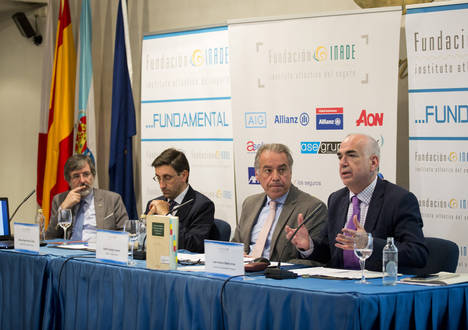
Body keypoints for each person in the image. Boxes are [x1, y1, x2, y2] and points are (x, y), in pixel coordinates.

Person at [286, 134, 428, 271]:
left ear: (373, 163)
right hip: (340, 286)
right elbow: (330, 252)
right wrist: (309, 245)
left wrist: (369, 244)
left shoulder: (399, 200)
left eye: (351, 155)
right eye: (340, 157)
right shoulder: (336, 199)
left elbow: (417, 254)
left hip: (377, 287)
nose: (343, 162)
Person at [232, 143, 327, 263]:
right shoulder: (250, 203)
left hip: (278, 277)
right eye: (268, 171)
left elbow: (318, 260)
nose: (275, 177)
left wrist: (306, 248)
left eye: (282, 170)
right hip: (243, 274)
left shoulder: (312, 208)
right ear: (257, 175)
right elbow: (235, 244)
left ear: (290, 172)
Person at [145, 148, 215, 253]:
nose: (162, 185)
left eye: (167, 177)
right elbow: (143, 241)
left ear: (183, 175)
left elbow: (193, 245)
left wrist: (166, 216)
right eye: (158, 178)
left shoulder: (203, 205)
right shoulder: (154, 203)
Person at [46, 154, 129, 241]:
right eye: (76, 176)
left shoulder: (112, 199)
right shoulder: (59, 199)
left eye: (86, 174)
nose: (82, 180)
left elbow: (124, 233)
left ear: (93, 176)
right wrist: (63, 208)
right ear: (68, 180)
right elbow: (50, 237)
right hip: (68, 251)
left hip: (98, 251)